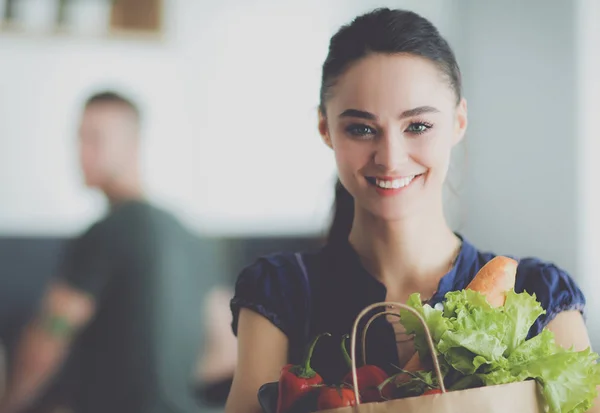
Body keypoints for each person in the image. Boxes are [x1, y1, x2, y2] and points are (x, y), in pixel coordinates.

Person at [224, 8, 595, 413]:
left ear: (458, 122)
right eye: (362, 129)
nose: (390, 158)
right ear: (325, 129)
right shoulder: (280, 294)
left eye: (417, 126)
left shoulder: (540, 296)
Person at [0, 91, 207, 413]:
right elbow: (224, 349)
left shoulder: (108, 231)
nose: (81, 152)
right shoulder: (188, 234)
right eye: (79, 138)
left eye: (95, 139)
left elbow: (50, 337)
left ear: (133, 145)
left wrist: (10, 404)